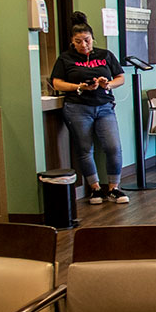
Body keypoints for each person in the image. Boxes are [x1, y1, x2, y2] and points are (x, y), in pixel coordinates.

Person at [51, 16, 128, 204]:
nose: (83, 45)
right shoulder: (65, 58)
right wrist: (80, 87)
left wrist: (107, 84)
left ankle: (114, 188)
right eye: (78, 41)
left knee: (113, 147)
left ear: (93, 38)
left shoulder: (105, 55)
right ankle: (95, 189)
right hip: (77, 107)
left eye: (87, 40)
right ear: (72, 41)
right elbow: (56, 82)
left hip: (104, 107)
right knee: (85, 149)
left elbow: (120, 77)